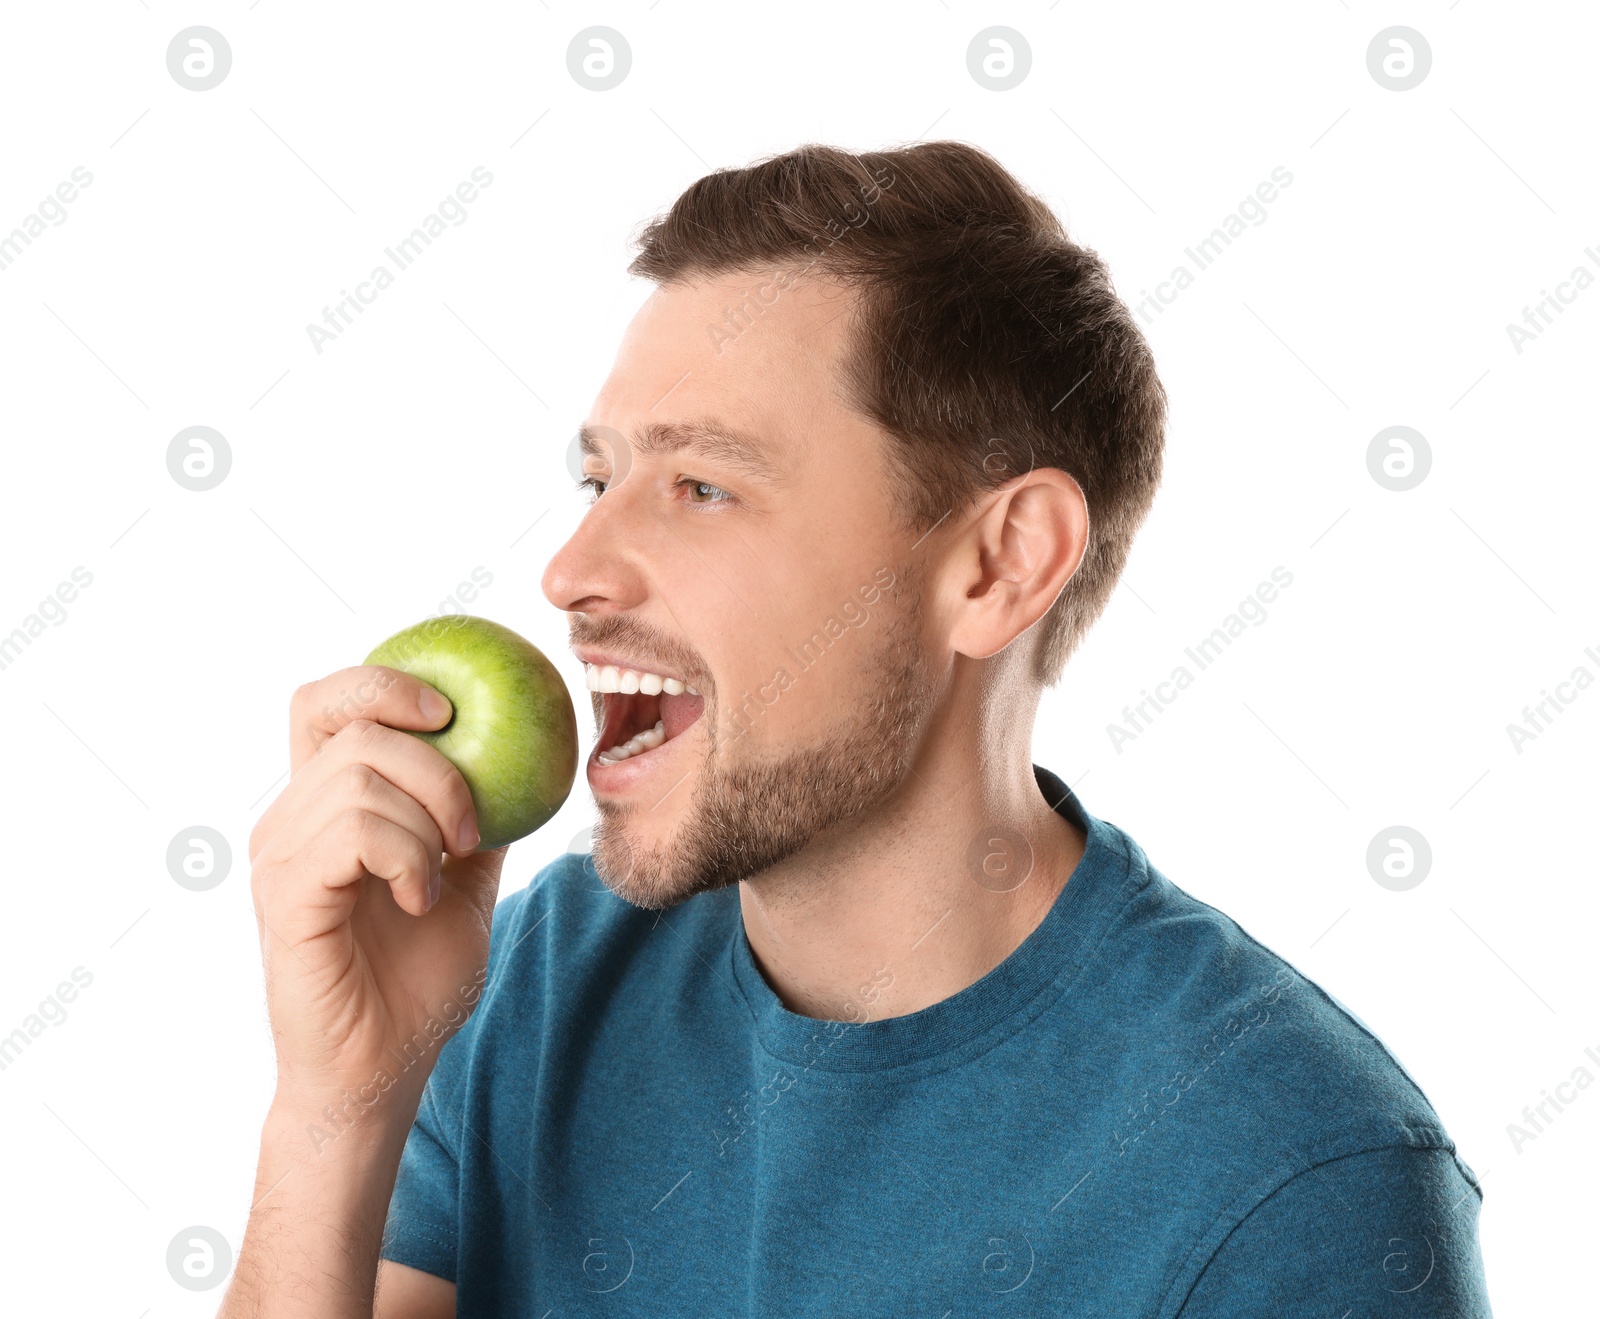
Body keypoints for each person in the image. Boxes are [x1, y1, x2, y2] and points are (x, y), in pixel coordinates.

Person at [222, 142, 1492, 1316]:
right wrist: (338, 1102)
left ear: (998, 564)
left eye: (703, 485)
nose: (570, 570)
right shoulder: (547, 974)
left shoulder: (1296, 1179)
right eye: (600, 479)